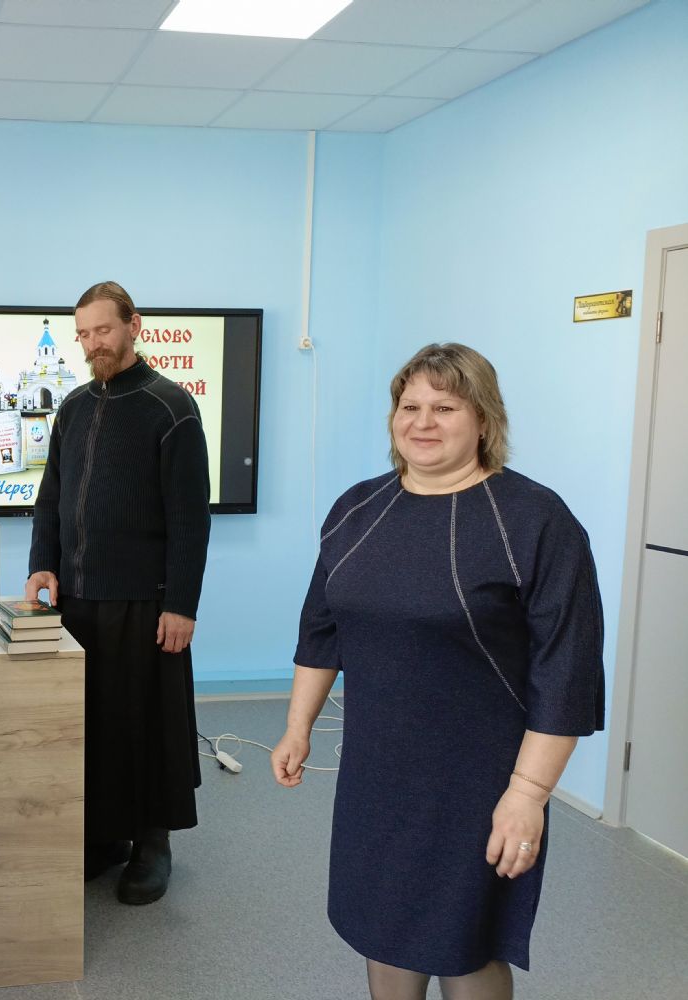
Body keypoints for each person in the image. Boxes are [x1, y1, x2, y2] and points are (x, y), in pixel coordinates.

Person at [271, 343, 604, 1000]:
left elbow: (564, 674)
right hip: (376, 769)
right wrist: (297, 726)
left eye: (445, 408)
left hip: (478, 778)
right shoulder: (357, 508)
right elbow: (321, 626)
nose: (422, 422)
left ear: (482, 419)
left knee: (462, 939)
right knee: (384, 921)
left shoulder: (535, 521)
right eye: (409, 406)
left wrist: (527, 796)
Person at [25, 281, 210, 905]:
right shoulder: (73, 406)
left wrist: (181, 603)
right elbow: (50, 496)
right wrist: (42, 565)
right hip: (77, 599)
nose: (91, 344)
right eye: (82, 334)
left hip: (145, 601)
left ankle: (152, 844)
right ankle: (104, 836)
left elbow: (190, 518)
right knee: (93, 722)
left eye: (102, 330)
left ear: (134, 325)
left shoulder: (171, 408)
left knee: (146, 724)